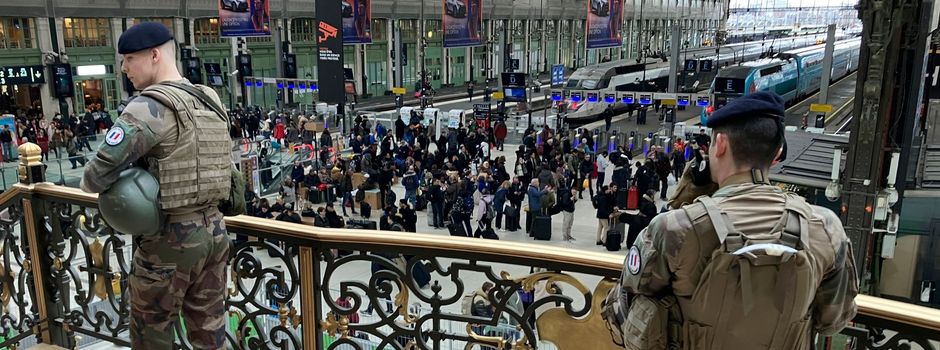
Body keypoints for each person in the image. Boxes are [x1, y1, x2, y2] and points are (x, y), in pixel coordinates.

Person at [604, 92, 857, 349]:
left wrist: (685, 201)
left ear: (721, 143)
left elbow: (623, 310)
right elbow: (833, 321)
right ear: (777, 152)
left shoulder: (675, 228)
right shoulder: (826, 227)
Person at [79, 22, 234, 349]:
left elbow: (94, 177)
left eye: (129, 59)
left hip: (170, 241)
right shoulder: (209, 97)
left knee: (151, 335)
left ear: (153, 56)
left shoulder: (147, 107)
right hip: (215, 234)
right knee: (210, 334)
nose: (123, 68)